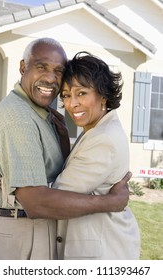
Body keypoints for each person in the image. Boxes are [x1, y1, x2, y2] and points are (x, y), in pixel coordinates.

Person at [0, 38, 130, 260]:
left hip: (51, 234)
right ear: (23, 67)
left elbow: (58, 179)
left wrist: (63, 138)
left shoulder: (43, 115)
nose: (50, 78)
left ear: (102, 95)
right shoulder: (19, 119)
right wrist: (110, 202)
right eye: (41, 66)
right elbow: (37, 201)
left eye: (58, 71)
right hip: (21, 234)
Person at [51, 52, 140, 260]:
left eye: (81, 93)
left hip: (102, 254)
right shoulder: (97, 129)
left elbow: (56, 197)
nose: (72, 104)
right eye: (65, 95)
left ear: (103, 95)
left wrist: (2, 179)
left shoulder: (103, 139)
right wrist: (64, 139)